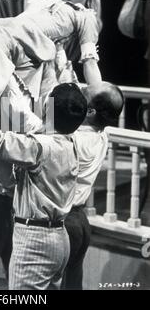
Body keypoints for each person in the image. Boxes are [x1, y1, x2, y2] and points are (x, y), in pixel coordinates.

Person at [0, 79, 88, 290]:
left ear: (47, 108)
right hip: (59, 238)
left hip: (36, 239)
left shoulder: (39, 147)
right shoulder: (73, 142)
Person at [61, 81, 124, 290]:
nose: (78, 93)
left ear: (89, 111)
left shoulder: (74, 139)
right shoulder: (100, 133)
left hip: (65, 222)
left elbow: (37, 125)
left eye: (83, 94)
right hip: (79, 221)